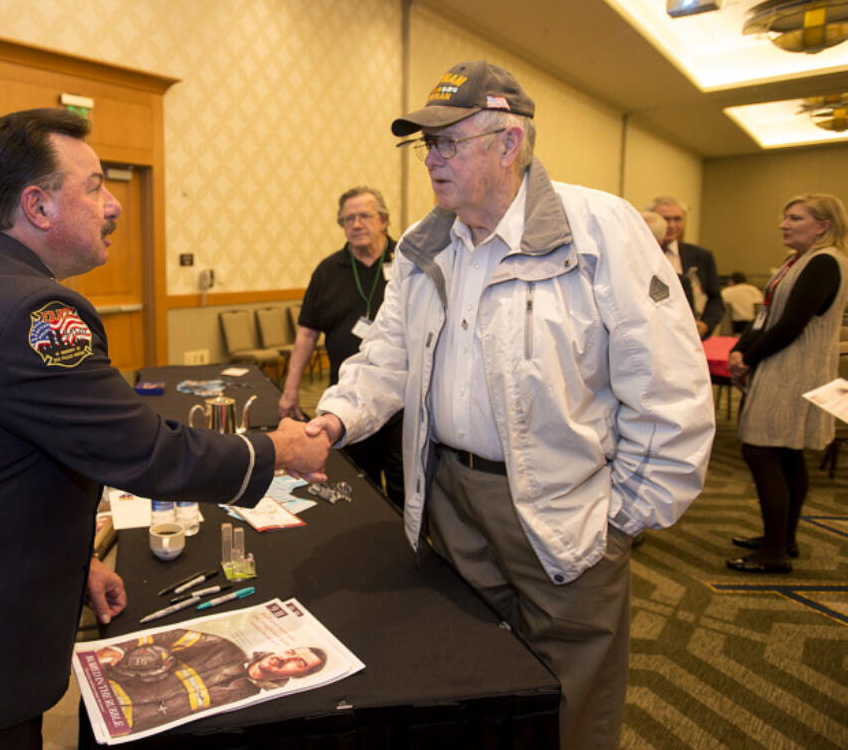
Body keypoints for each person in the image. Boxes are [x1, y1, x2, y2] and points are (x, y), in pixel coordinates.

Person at [0, 108, 330, 748]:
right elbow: (144, 452)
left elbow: (6, 464)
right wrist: (275, 449)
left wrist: (73, 567)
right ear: (38, 207)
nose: (114, 206)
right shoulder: (32, 309)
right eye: (95, 186)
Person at [307, 60, 715, 750]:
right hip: (449, 497)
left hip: (566, 504)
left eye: (447, 143)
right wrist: (336, 416)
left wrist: (624, 521)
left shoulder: (602, 230)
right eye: (424, 146)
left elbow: (668, 386)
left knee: (572, 695)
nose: (431, 161)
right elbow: (388, 356)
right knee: (476, 672)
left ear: (508, 143)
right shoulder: (420, 244)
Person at [727, 193, 848, 573]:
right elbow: (766, 316)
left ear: (822, 226)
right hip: (781, 365)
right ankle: (782, 538)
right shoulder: (798, 261)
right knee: (786, 453)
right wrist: (740, 348)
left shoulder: (826, 262)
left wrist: (749, 357)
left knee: (761, 452)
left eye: (795, 218)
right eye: (785, 217)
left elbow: (792, 324)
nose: (784, 224)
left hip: (795, 369)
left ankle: (774, 553)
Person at [279, 186, 405, 509]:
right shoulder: (327, 271)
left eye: (365, 215)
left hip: (402, 401)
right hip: (347, 399)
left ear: (384, 221)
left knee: (404, 486)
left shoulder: (408, 263)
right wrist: (290, 389)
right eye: (348, 218)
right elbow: (307, 334)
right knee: (356, 486)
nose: (357, 224)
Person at [94, 629, 327, 734]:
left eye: (299, 662)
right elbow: (172, 636)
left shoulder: (254, 700)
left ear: (299, 676)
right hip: (116, 686)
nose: (287, 657)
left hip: (133, 725)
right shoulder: (224, 647)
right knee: (153, 654)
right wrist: (121, 648)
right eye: (291, 651)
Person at [647, 196, 723, 338]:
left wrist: (706, 324)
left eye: (677, 219)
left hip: (688, 338)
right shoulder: (638, 257)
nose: (671, 225)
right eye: (665, 219)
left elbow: (715, 300)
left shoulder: (702, 256)